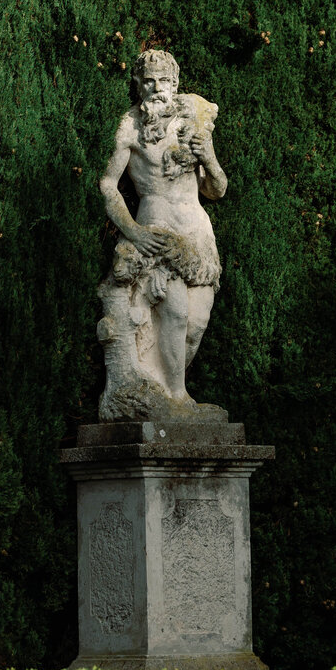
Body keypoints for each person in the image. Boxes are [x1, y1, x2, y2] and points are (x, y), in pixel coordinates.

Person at [98, 50, 227, 414]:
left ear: (175, 84)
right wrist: (132, 231)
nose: (158, 89)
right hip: (156, 229)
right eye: (149, 81)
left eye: (165, 81)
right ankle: (177, 397)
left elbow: (217, 190)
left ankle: (168, 388)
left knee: (197, 322)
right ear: (138, 85)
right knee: (175, 312)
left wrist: (209, 157)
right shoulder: (130, 126)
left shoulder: (192, 123)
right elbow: (108, 184)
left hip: (198, 234)